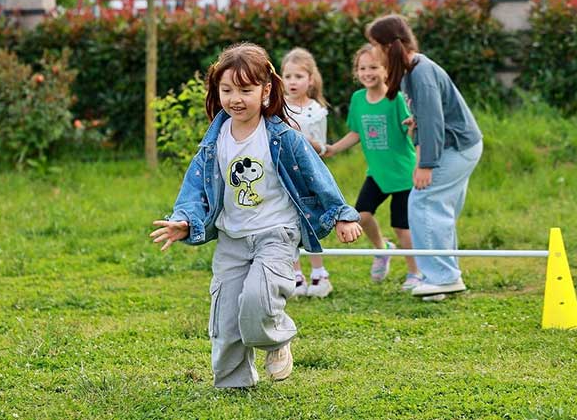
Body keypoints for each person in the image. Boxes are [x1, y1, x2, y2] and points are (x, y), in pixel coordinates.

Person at [150, 43, 362, 388]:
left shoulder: (281, 136)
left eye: (245, 90)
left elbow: (317, 175)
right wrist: (186, 220)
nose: (236, 98)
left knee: (258, 299)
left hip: (276, 234)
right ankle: (235, 382)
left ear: (265, 90)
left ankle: (276, 340)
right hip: (232, 238)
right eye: (227, 90)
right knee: (226, 314)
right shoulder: (214, 142)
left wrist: (341, 214)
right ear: (216, 91)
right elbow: (195, 189)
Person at [365, 14, 483, 298]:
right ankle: (444, 277)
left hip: (456, 147)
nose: (372, 51)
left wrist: (425, 165)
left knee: (423, 201)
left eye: (373, 45)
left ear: (386, 45)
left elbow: (433, 123)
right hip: (460, 145)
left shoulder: (420, 72)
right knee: (438, 208)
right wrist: (414, 121)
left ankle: (441, 277)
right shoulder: (410, 70)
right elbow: (427, 116)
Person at [324, 44, 423, 291]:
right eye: (362, 68)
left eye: (374, 67)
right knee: (361, 216)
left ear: (386, 70)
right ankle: (382, 249)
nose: (368, 73)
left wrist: (413, 127)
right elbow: (356, 132)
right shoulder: (358, 99)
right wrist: (333, 148)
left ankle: (415, 273)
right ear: (356, 72)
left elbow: (410, 132)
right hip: (377, 174)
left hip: (404, 174)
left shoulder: (396, 98)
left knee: (402, 228)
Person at [281, 47, 333, 298]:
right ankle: (295, 275)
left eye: (298, 77)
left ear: (310, 80)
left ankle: (319, 274)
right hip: (283, 177)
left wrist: (307, 141)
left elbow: (322, 147)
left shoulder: (316, 110)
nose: (292, 82)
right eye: (288, 76)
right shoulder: (276, 107)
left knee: (310, 224)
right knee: (287, 225)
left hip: (309, 176)